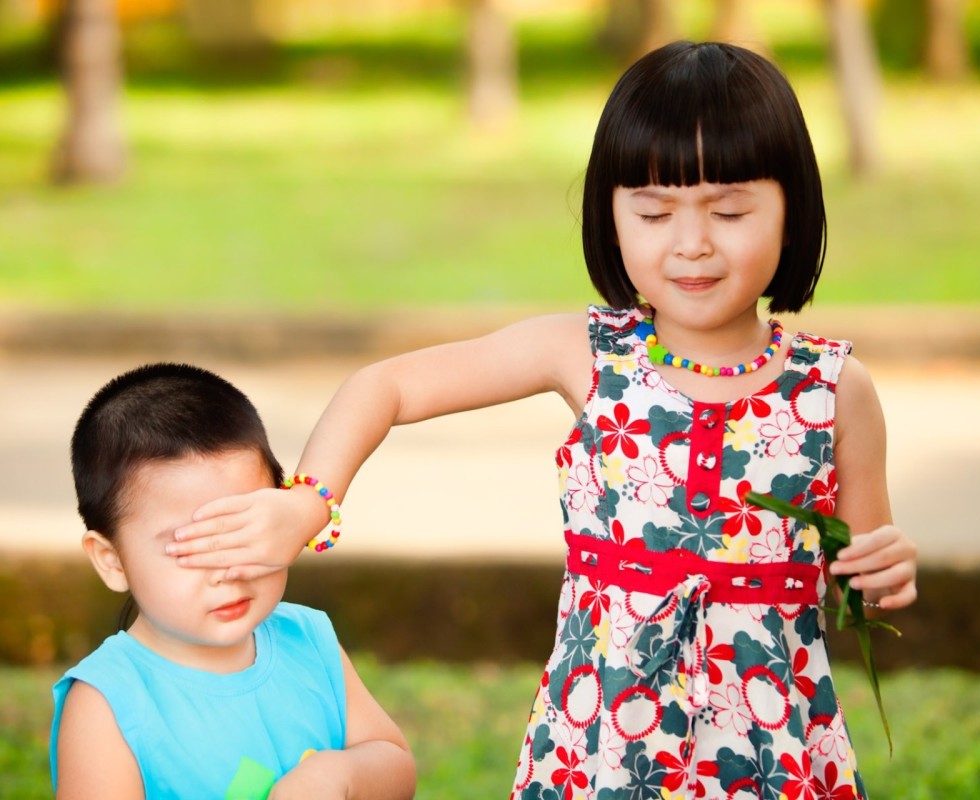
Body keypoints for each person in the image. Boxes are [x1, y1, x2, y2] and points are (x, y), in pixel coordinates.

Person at [169, 42, 918, 798]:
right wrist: (307, 501)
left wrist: (881, 576)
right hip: (601, 752)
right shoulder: (587, 354)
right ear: (611, 217)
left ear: (793, 213)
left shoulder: (833, 390)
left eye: (729, 211)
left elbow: (862, 588)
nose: (692, 243)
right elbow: (385, 386)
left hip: (770, 754)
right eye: (654, 212)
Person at [51, 363, 416, 800]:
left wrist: (338, 776)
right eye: (189, 548)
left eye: (245, 535)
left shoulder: (308, 639)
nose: (227, 572)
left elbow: (395, 764)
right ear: (112, 561)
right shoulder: (108, 702)